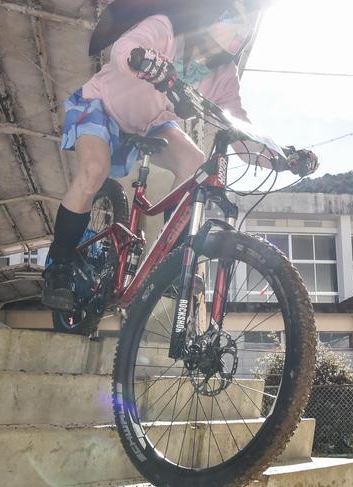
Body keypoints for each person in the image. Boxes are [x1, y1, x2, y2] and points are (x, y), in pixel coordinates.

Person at [42, 0, 318, 310]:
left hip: (150, 125)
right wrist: (143, 60)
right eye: (233, 18)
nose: (239, 33)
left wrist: (280, 158)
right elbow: (124, 49)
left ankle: (171, 260)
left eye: (245, 28)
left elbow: (240, 128)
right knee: (94, 170)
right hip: (100, 106)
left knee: (195, 163)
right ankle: (59, 265)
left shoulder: (224, 74)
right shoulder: (166, 29)